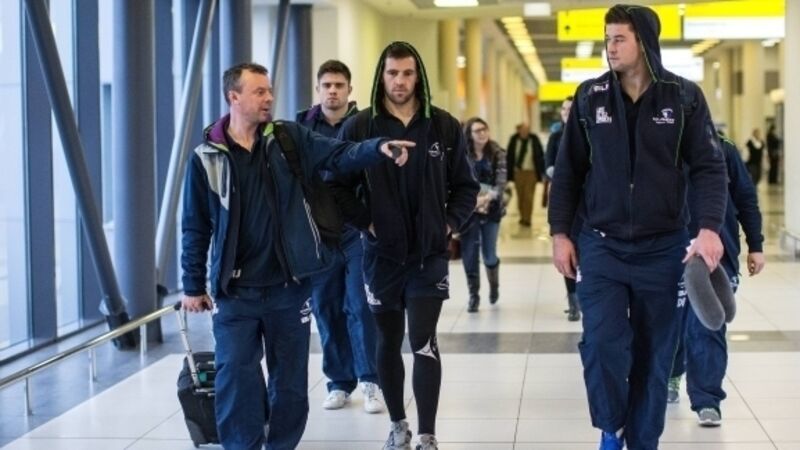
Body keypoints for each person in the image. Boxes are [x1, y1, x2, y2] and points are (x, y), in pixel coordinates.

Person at [180, 62, 415, 450]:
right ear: (233, 97)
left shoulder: (287, 138)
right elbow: (195, 225)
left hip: (288, 288)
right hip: (235, 293)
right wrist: (192, 284)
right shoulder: (207, 157)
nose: (269, 98)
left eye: (270, 91)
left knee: (289, 385)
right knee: (235, 377)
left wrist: (377, 148)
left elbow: (338, 154)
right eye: (259, 92)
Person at [548, 5, 728, 450]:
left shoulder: (683, 98)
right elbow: (568, 171)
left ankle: (643, 442)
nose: (610, 47)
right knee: (602, 343)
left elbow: (709, 166)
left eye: (619, 39)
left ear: (644, 42)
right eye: (607, 38)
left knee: (654, 355)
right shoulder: (590, 98)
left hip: (664, 249)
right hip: (601, 246)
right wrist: (560, 233)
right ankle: (612, 427)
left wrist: (709, 228)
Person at [331, 41, 479, 450]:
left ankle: (427, 434)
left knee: (424, 340)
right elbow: (334, 184)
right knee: (387, 339)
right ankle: (398, 425)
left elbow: (466, 187)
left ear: (419, 77)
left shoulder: (443, 126)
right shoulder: (359, 127)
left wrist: (447, 224)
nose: (400, 81)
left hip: (429, 255)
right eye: (393, 73)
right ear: (382, 76)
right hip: (381, 256)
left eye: (407, 73)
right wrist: (366, 222)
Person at [296, 60, 384, 414]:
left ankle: (370, 380)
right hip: (318, 233)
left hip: (356, 229)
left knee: (360, 305)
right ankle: (338, 382)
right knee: (326, 307)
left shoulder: (364, 125)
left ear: (349, 90)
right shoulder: (300, 128)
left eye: (339, 85)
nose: (332, 91)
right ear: (318, 90)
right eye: (327, 85)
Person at [667, 131, 765, 426]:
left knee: (707, 325)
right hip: (667, 251)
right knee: (671, 322)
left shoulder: (723, 149)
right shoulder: (656, 142)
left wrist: (756, 245)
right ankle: (671, 373)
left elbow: (746, 199)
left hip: (717, 255)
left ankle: (707, 399)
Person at [460, 117, 507, 313]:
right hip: (468, 212)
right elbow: (458, 181)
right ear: (469, 134)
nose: (482, 134)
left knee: (489, 254)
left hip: (491, 209)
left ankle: (494, 285)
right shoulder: (463, 154)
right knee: (470, 254)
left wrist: (487, 198)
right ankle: (474, 295)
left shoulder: (497, 152)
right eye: (477, 131)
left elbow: (501, 181)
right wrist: (472, 201)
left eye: (484, 129)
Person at [544, 96, 581, 322]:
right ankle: (573, 301)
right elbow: (548, 166)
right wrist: (564, 174)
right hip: (564, 198)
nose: (567, 112)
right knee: (568, 249)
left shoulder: (589, 132)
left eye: (571, 108)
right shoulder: (557, 137)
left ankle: (585, 296)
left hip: (587, 203)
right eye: (564, 109)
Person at [506, 122, 544, 227]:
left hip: (531, 172)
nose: (525, 132)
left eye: (527, 129)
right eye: (522, 130)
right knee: (520, 196)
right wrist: (508, 173)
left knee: (528, 196)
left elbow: (540, 155)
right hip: (517, 173)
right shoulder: (514, 140)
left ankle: (527, 218)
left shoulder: (534, 139)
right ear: (518, 130)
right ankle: (522, 216)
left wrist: (541, 171)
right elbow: (509, 157)